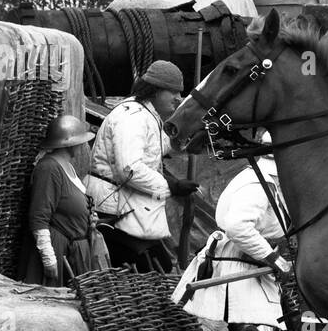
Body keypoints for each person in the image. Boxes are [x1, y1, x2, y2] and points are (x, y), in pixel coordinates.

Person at [173, 130, 291, 331]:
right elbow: (238, 225)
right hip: (239, 266)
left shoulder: (268, 178)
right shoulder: (258, 182)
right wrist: (272, 257)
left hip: (250, 269)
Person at [87, 60, 197, 272]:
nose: (178, 98)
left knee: (156, 267)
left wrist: (183, 134)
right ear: (154, 91)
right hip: (114, 210)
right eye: (173, 91)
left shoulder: (148, 114)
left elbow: (158, 147)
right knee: (149, 268)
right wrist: (170, 186)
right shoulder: (132, 117)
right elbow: (130, 169)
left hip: (126, 206)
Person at [20, 114, 108, 284]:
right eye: (80, 141)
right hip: (58, 250)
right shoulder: (49, 168)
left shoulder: (68, 166)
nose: (83, 145)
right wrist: (49, 258)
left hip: (74, 252)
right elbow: (39, 216)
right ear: (69, 143)